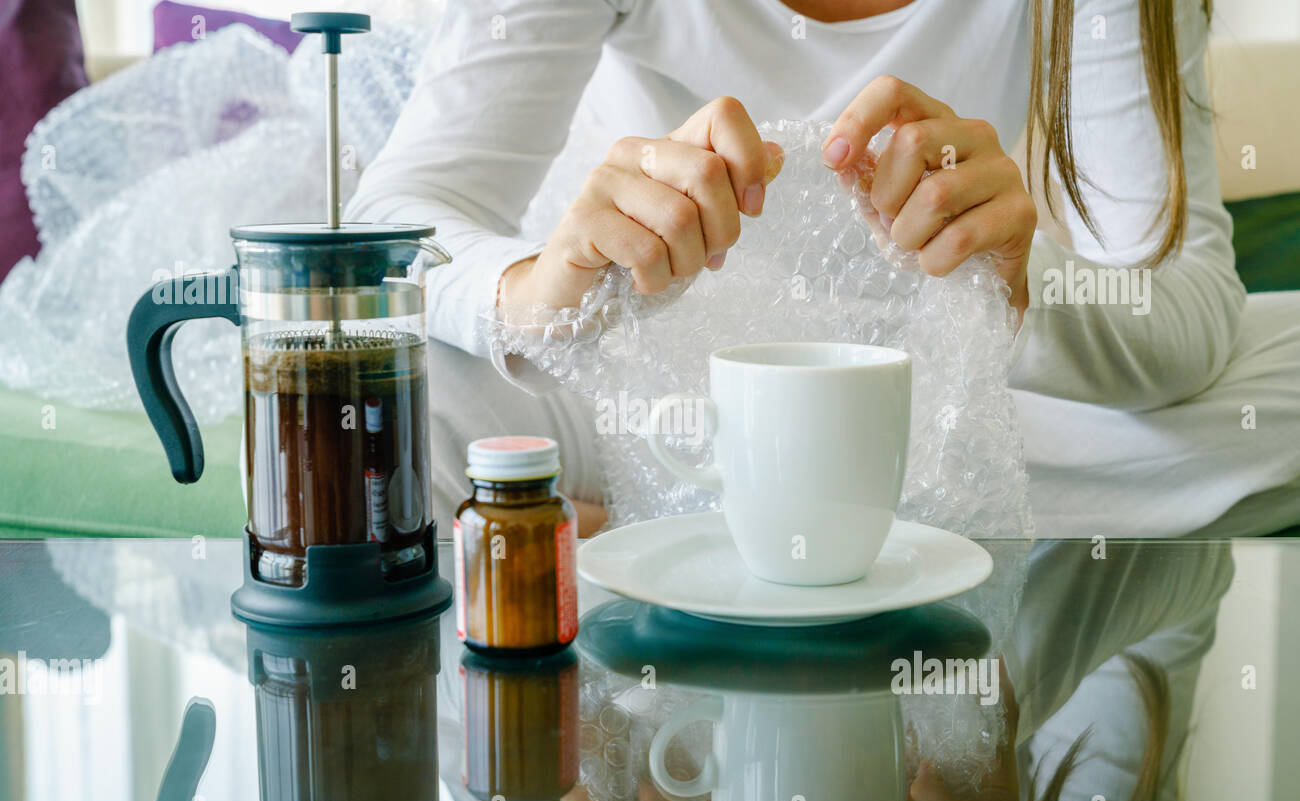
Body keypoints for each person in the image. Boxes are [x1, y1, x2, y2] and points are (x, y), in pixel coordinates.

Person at [347, 0, 1300, 538]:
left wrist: (1014, 283)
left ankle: (678, 533)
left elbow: (1188, 310)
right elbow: (390, 225)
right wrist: (537, 289)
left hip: (943, 387)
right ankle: (838, 528)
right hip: (638, 392)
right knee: (381, 410)